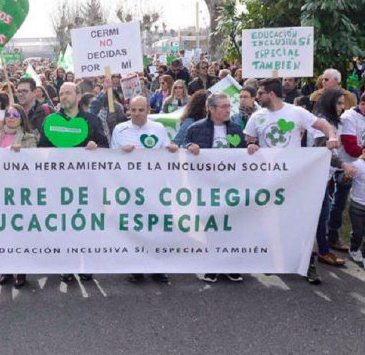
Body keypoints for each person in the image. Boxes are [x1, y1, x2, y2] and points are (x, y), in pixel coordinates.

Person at [244, 78, 340, 284]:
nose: (257, 97)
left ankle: (308, 264)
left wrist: (332, 136)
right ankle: (274, 260)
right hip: (269, 179)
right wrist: (251, 146)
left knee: (301, 221)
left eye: (260, 93)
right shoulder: (256, 116)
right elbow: (249, 139)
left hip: (294, 178)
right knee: (273, 220)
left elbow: (323, 125)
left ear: (271, 94)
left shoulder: (296, 112)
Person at [38, 82, 107, 282]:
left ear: (78, 96)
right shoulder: (51, 121)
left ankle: (86, 263)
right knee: (64, 224)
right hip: (60, 182)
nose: (64, 96)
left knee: (85, 224)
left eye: (68, 93)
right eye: (61, 93)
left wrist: (97, 146)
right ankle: (66, 264)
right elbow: (42, 148)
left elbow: (105, 145)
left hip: (87, 182)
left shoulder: (92, 120)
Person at [110, 95, 178, 284]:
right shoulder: (120, 129)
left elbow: (167, 150)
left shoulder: (158, 128)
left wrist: (172, 149)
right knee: (133, 227)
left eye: (141, 110)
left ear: (148, 110)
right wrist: (121, 153)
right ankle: (136, 267)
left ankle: (157, 267)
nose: (137, 114)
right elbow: (109, 157)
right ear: (128, 110)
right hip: (129, 189)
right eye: (134, 110)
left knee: (156, 227)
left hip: (154, 188)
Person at [184, 92, 249, 283]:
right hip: (206, 185)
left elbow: (243, 155)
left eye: (229, 106)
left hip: (230, 185)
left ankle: (231, 266)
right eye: (223, 107)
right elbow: (182, 148)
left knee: (231, 225)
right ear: (210, 109)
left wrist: (251, 149)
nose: (228, 110)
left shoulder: (236, 130)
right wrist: (189, 146)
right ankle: (212, 266)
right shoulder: (195, 129)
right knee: (210, 226)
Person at [311, 89, 353, 266]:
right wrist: (343, 165)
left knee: (322, 214)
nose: (342, 107)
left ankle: (320, 248)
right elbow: (323, 149)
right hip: (314, 176)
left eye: (343, 103)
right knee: (322, 214)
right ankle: (322, 251)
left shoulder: (335, 122)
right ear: (329, 103)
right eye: (339, 103)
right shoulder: (322, 122)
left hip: (325, 174)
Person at [339, 92, 365, 264]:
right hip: (357, 205)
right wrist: (347, 175)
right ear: (362, 104)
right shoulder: (350, 117)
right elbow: (350, 146)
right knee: (358, 230)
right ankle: (353, 248)